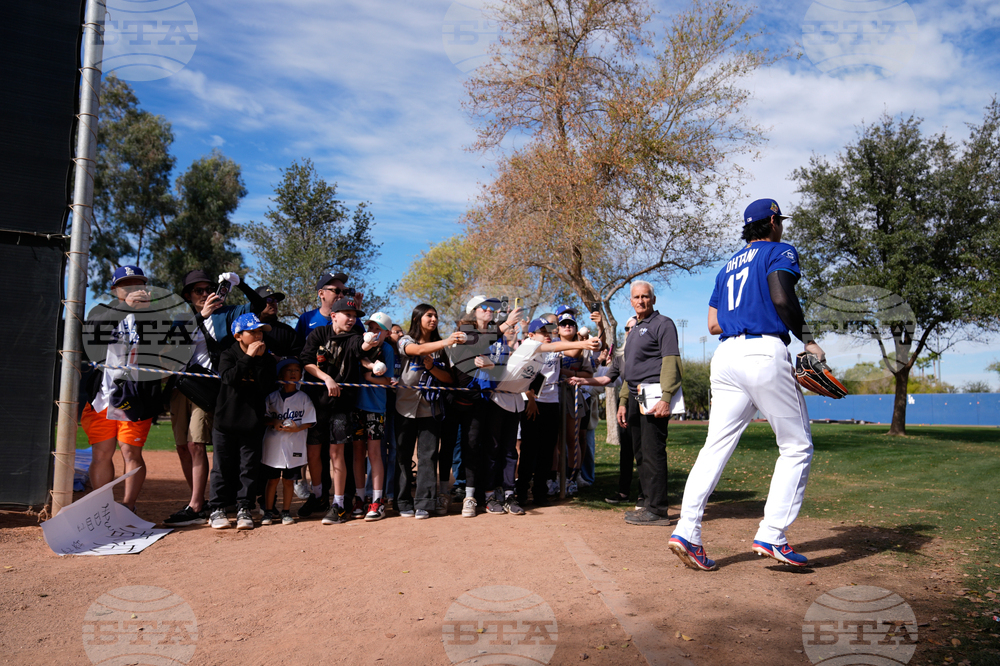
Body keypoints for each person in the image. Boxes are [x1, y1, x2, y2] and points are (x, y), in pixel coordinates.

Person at [669, 199, 822, 571]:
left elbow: (713, 324)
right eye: (779, 221)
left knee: (714, 447)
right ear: (772, 222)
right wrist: (808, 339)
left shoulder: (727, 267)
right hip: (762, 351)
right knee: (797, 446)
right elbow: (782, 296)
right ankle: (772, 534)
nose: (781, 227)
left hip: (725, 357)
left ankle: (686, 530)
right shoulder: (779, 250)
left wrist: (744, 312)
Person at [163, 269, 267, 527]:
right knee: (182, 446)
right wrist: (201, 316)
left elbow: (260, 306)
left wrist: (240, 283)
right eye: (198, 291)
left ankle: (199, 504)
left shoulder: (228, 314)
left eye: (209, 289)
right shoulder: (182, 318)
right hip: (181, 386)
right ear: (188, 295)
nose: (205, 294)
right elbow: (171, 344)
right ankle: (195, 500)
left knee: (197, 443)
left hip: (208, 388)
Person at [82, 265, 160, 512]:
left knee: (131, 453)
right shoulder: (101, 311)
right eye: (127, 285)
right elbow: (93, 330)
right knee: (102, 453)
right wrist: (126, 307)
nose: (134, 289)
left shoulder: (154, 315)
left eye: (139, 284)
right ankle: (102, 507)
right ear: (115, 289)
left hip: (135, 395)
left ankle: (128, 506)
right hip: (101, 395)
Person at [300, 296, 383, 524]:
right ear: (334, 316)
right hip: (316, 404)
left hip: (342, 406)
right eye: (348, 315)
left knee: (336, 454)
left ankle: (338, 504)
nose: (352, 319)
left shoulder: (354, 337)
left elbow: (361, 348)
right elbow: (306, 362)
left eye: (355, 316)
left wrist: (369, 343)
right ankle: (318, 496)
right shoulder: (318, 335)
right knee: (314, 452)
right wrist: (327, 378)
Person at [619, 281, 681, 527]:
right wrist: (623, 400)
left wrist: (666, 397)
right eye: (636, 297)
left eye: (646, 296)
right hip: (634, 397)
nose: (641, 301)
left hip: (653, 396)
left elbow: (671, 361)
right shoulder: (635, 328)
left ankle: (657, 510)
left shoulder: (663, 324)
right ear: (631, 301)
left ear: (653, 300)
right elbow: (630, 371)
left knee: (653, 452)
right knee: (641, 453)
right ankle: (646, 501)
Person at [207, 313, 277, 530]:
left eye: (260, 332)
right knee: (221, 467)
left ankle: (244, 508)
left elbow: (266, 386)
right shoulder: (228, 354)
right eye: (253, 332)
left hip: (252, 422)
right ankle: (217, 508)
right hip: (225, 422)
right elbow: (229, 379)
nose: (258, 336)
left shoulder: (266, 357)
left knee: (248, 468)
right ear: (238, 335)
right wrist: (248, 357)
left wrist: (258, 360)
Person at [395, 304, 464, 519]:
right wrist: (446, 341)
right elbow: (413, 351)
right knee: (403, 456)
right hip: (403, 408)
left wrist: (433, 367)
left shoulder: (442, 349)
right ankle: (402, 501)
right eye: (429, 315)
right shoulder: (405, 339)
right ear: (417, 319)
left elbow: (449, 379)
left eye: (436, 316)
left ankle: (424, 503)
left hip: (430, 410)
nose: (433, 319)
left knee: (428, 456)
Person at [570, 317, 641, 505]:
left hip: (646, 402)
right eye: (627, 328)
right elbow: (606, 379)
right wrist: (582, 380)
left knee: (645, 451)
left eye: (634, 327)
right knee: (627, 449)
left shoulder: (646, 351)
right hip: (627, 404)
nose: (630, 331)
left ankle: (647, 496)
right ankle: (624, 492)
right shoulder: (620, 356)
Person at [261, 358, 316, 525]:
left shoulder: (303, 397)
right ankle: (268, 512)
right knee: (271, 480)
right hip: (273, 444)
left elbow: (310, 420)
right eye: (289, 370)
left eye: (296, 370)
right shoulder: (271, 397)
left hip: (295, 443)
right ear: (281, 374)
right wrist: (273, 422)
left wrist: (297, 428)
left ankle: (286, 511)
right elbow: (263, 418)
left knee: (289, 480)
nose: (293, 373)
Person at [351, 312, 395, 522]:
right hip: (356, 407)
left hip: (376, 408)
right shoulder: (361, 344)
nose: (374, 332)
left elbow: (388, 382)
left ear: (387, 332)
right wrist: (369, 372)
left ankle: (377, 501)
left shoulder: (386, 349)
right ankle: (360, 499)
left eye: (378, 329)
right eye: (371, 327)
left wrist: (369, 377)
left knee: (375, 454)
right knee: (358, 453)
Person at [257, 285, 304, 359]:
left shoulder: (287, 331)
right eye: (269, 300)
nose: (273, 303)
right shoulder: (246, 329)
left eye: (275, 300)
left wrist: (281, 359)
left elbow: (300, 355)